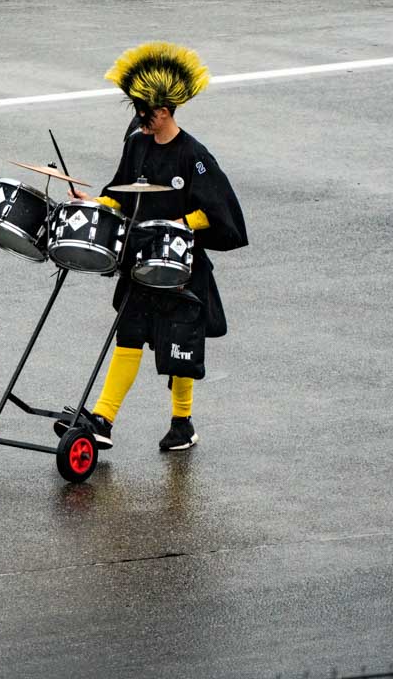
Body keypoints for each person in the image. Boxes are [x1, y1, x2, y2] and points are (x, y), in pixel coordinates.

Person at [55, 42, 248, 452]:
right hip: (141, 259)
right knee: (128, 336)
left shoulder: (194, 157)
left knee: (179, 349)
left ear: (163, 112)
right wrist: (93, 205)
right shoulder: (137, 143)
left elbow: (219, 214)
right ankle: (104, 419)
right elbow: (120, 192)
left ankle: (183, 423)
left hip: (181, 265)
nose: (139, 120)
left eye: (145, 114)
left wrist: (181, 222)